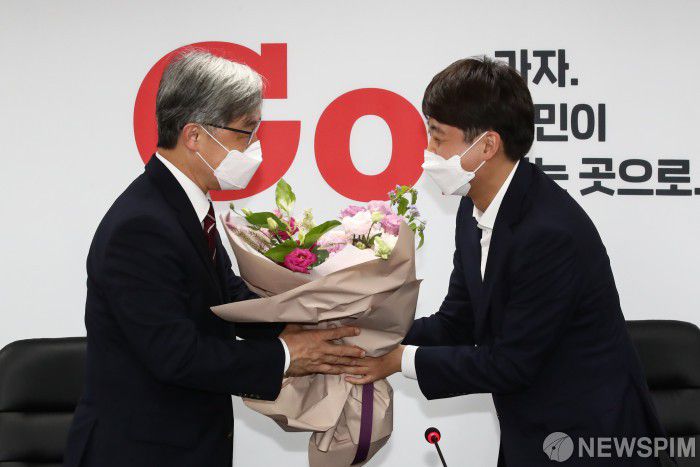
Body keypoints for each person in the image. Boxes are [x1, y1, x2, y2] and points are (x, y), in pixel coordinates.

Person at [346, 56, 667, 466]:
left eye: (438, 137)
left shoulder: (549, 231)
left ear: (487, 145)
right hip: (531, 433)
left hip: (593, 437)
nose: (428, 151)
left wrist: (398, 360)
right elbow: (458, 321)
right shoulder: (473, 207)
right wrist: (372, 333)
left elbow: (511, 363)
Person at [63, 50, 362, 467]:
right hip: (140, 451)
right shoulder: (142, 225)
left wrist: (300, 322)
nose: (254, 147)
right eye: (245, 132)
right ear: (194, 136)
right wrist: (287, 355)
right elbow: (176, 355)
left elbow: (227, 299)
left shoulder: (183, 205)